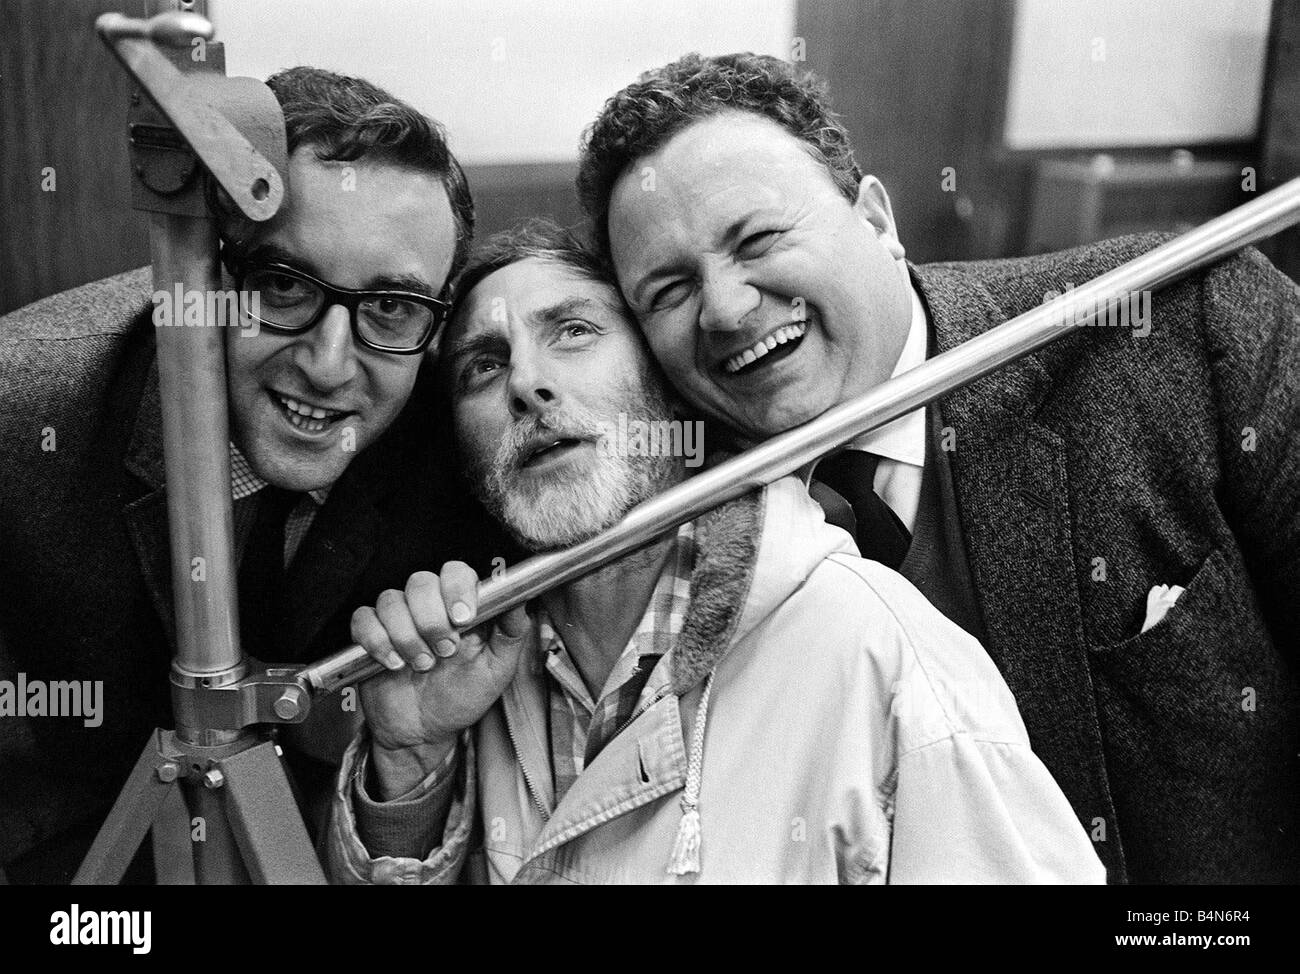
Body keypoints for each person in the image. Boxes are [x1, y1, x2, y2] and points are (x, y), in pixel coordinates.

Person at [575, 52, 1300, 884]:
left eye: (759, 239)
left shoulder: (1184, 325)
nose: (728, 309)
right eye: (668, 291)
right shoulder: (664, 515)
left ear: (877, 220)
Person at [324, 220, 1103, 884]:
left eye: (574, 332)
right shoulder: (467, 677)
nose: (527, 383)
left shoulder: (885, 658)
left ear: (669, 383)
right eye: (483, 365)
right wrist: (409, 763)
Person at [0, 67, 507, 883]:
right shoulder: (24, 418)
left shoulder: (458, 440)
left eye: (391, 307)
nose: (330, 364)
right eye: (282, 285)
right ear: (208, 271)